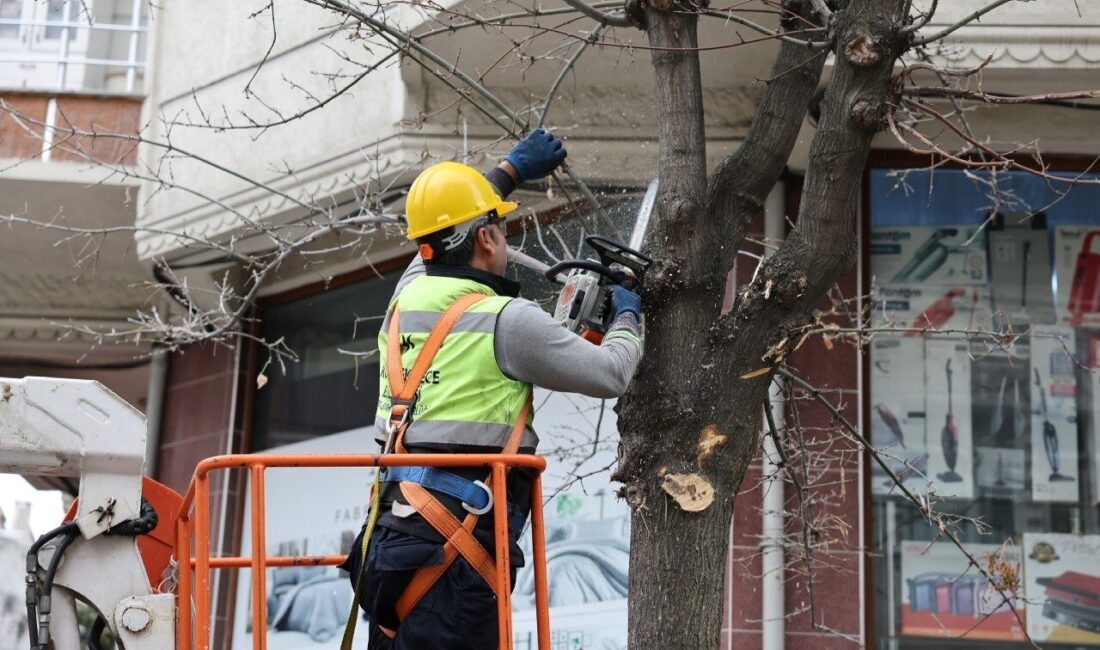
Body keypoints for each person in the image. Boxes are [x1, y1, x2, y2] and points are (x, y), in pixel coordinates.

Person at [344, 129, 644, 649]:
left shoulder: (406, 298)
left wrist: (510, 171)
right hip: (453, 561)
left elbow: (443, 229)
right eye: (500, 229)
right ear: (486, 238)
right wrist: (628, 315)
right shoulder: (506, 320)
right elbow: (611, 373)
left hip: (388, 545)